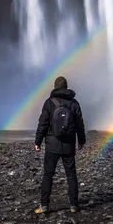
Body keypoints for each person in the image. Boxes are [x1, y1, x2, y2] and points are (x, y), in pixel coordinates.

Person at [34, 76, 86, 214]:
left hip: (52, 145)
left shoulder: (49, 103)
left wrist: (37, 142)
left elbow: (43, 124)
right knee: (71, 175)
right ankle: (74, 205)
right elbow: (80, 124)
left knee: (48, 175)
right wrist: (81, 140)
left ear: (55, 87)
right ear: (66, 87)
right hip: (69, 144)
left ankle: (44, 205)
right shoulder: (74, 103)